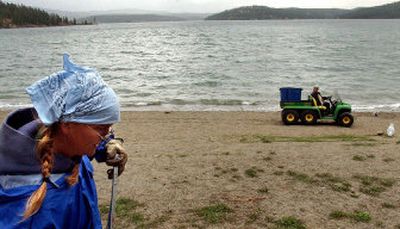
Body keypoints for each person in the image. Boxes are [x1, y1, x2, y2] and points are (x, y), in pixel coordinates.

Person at [0, 54, 127, 228]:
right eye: (101, 129)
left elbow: (85, 141)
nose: (106, 135)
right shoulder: (29, 211)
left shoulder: (67, 147)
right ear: (67, 124)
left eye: (109, 128)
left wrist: (106, 147)